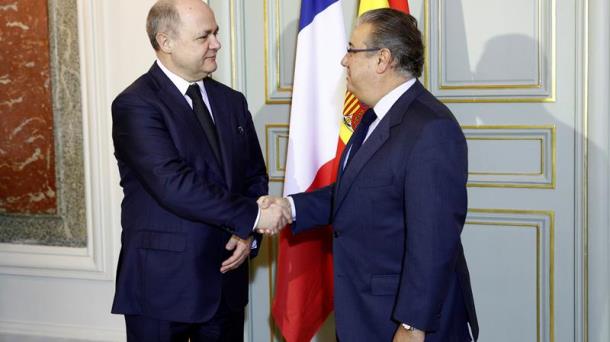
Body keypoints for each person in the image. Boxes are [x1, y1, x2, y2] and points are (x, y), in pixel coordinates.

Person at [260, 8, 479, 342]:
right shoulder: (372, 117)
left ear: (382, 60)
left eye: (351, 50)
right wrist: (290, 207)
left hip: (401, 321)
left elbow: (434, 242)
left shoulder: (431, 129)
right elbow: (355, 194)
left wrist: (411, 326)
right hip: (364, 314)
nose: (344, 61)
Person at [110, 0, 290, 340]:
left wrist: (245, 233)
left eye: (216, 33)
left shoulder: (231, 101)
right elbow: (173, 183)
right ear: (165, 42)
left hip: (226, 280)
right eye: (203, 36)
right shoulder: (136, 104)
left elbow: (254, 174)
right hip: (163, 286)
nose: (216, 43)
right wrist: (251, 217)